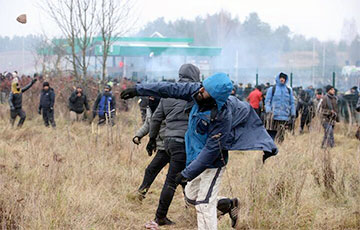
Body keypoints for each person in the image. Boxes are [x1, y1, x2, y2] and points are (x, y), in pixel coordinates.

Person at [121, 73, 278, 230]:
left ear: (215, 96)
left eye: (205, 90)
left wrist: (187, 173)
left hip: (213, 163)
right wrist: (138, 90)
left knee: (204, 204)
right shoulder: (197, 91)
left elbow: (211, 151)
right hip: (194, 157)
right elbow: (169, 88)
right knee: (190, 198)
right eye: (202, 86)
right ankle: (228, 204)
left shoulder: (223, 117)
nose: (200, 90)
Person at [147, 64, 201, 226]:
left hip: (169, 142)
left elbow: (156, 119)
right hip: (185, 142)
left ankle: (192, 208)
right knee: (174, 180)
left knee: (184, 176)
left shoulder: (168, 94)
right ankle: (160, 216)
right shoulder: (195, 93)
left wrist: (152, 139)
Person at [132, 96, 167, 201]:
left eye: (153, 95)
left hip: (170, 145)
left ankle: (191, 202)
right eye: (149, 96)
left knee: (179, 176)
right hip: (161, 146)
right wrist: (138, 136)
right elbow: (148, 124)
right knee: (151, 170)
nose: (151, 98)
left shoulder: (167, 106)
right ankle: (141, 194)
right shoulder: (149, 108)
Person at [265, 72, 295, 143]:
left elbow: (292, 102)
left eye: (284, 78)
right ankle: (272, 146)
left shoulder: (289, 90)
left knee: (281, 133)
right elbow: (267, 101)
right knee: (272, 132)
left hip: (284, 116)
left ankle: (279, 146)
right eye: (281, 78)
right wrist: (268, 110)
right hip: (273, 116)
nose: (282, 79)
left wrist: (293, 113)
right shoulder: (272, 89)